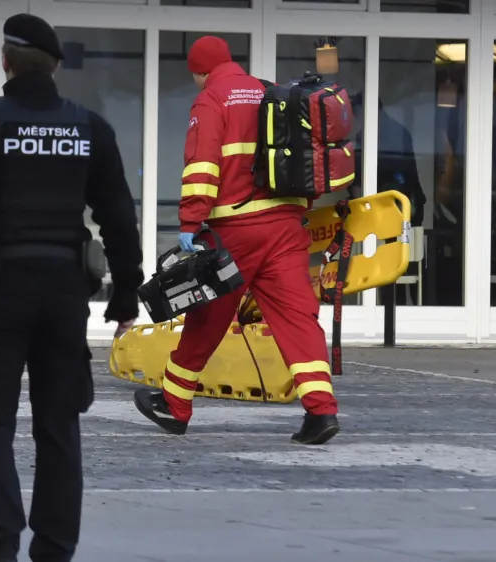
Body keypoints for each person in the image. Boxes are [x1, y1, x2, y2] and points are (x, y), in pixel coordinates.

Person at [0, 14, 143, 562]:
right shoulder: (89, 128)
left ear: (5, 62)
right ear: (56, 65)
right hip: (63, 291)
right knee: (59, 422)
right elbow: (119, 219)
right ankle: (55, 547)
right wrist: (127, 293)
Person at [131, 36, 340, 446]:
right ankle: (321, 409)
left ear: (200, 71)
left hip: (237, 231)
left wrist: (190, 223)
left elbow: (202, 168)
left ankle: (174, 404)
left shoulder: (212, 100)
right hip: (285, 227)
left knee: (207, 314)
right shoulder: (269, 90)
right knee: (297, 317)